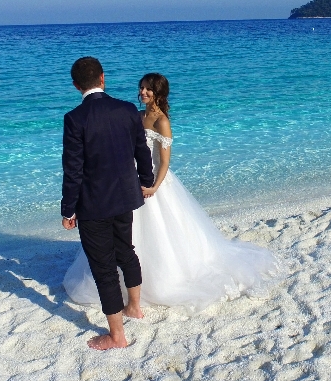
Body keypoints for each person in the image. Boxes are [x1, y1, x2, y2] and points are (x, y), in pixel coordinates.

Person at [64, 73, 278, 310]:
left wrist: (154, 185)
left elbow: (164, 161)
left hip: (154, 181)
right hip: (128, 180)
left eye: (149, 89)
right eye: (142, 88)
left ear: (159, 93)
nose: (143, 92)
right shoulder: (136, 115)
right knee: (128, 234)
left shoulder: (161, 121)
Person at [61, 57, 154, 351]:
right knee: (126, 250)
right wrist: (146, 180)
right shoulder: (127, 110)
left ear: (76, 86)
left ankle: (116, 336)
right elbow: (142, 151)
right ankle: (134, 308)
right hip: (125, 196)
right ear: (103, 78)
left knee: (103, 268)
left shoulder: (75, 119)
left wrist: (68, 209)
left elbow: (73, 169)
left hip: (94, 203)